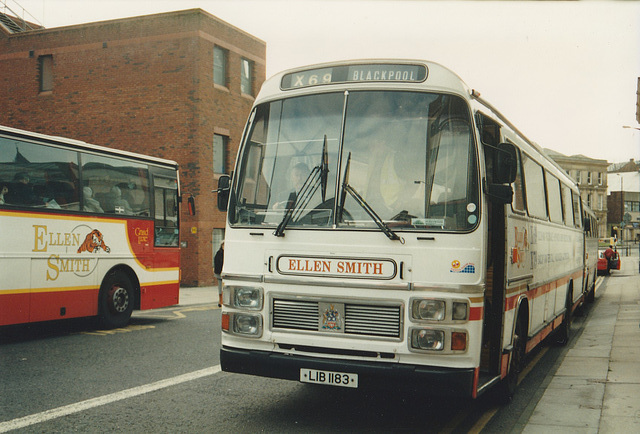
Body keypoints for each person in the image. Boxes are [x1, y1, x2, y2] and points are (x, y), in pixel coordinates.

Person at [214, 242, 224, 307]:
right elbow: (216, 262)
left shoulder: (228, 253)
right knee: (220, 288)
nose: (224, 246)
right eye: (223, 245)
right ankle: (220, 301)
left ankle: (223, 301)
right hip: (220, 273)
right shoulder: (219, 253)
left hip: (225, 274)